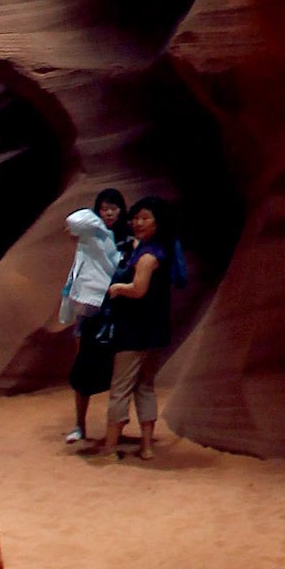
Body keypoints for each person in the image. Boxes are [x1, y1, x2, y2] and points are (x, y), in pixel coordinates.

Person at [83, 198, 170, 463]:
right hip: (153, 330)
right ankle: (146, 446)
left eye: (145, 218)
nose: (139, 223)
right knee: (145, 386)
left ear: (157, 222)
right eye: (136, 218)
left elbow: (139, 289)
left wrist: (118, 289)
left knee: (120, 388)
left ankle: (110, 447)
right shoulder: (154, 249)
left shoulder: (147, 256)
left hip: (134, 330)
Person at [59, 187, 128, 447]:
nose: (109, 213)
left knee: (120, 370)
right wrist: (95, 225)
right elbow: (73, 222)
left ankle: (117, 425)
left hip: (118, 307)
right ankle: (80, 424)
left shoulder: (128, 236)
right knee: (82, 368)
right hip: (89, 308)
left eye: (114, 208)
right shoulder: (91, 230)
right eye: (104, 208)